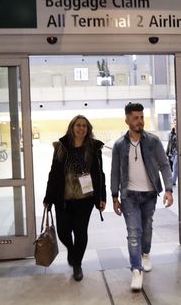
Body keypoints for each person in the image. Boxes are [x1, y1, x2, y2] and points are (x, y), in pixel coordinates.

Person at [111, 102, 173, 291]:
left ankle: (145, 254)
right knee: (133, 233)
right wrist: (115, 196)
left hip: (149, 194)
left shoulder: (153, 141)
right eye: (136, 118)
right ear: (127, 120)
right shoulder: (119, 145)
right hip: (129, 195)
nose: (140, 121)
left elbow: (164, 165)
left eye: (142, 117)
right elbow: (114, 172)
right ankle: (136, 271)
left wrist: (169, 189)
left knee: (146, 229)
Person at [43, 115, 106, 281]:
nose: (81, 128)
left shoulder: (93, 148)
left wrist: (102, 197)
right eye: (78, 125)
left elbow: (100, 174)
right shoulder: (61, 147)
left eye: (84, 126)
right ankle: (72, 251)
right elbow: (54, 174)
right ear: (72, 128)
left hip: (85, 200)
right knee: (63, 232)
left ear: (88, 129)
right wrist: (48, 197)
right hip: (63, 199)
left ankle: (77, 264)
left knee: (80, 232)